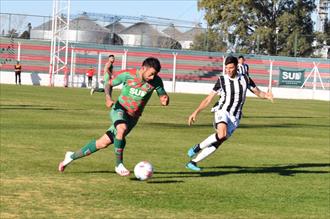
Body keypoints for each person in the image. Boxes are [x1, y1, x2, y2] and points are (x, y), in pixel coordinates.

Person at [59, 57, 170, 176]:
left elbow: (162, 96)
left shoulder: (156, 81)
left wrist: (165, 99)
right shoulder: (127, 75)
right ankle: (119, 165)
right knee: (121, 128)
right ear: (143, 68)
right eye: (151, 74)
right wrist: (108, 97)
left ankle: (70, 156)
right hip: (119, 109)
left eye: (155, 74)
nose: (152, 77)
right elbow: (108, 84)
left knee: (102, 143)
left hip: (133, 118)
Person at [185, 56, 273, 171]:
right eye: (226, 68)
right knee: (221, 134)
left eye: (231, 68)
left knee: (219, 141)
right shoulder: (222, 80)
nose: (228, 70)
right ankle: (197, 148)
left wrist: (267, 96)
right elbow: (208, 99)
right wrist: (195, 112)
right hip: (222, 110)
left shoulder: (245, 79)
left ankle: (193, 162)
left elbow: (258, 92)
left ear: (236, 67)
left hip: (235, 116)